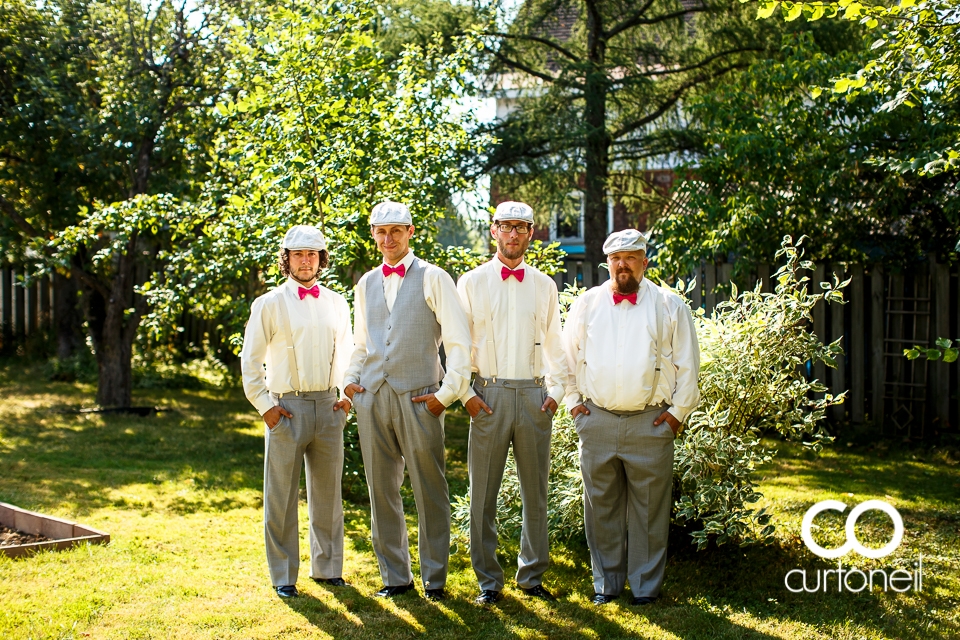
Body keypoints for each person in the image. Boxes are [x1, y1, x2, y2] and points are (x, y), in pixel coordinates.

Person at [561, 229, 700, 606]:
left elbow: (688, 367)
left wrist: (676, 415)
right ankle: (606, 585)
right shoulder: (587, 304)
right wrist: (574, 404)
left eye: (631, 257)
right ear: (607, 263)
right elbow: (565, 359)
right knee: (600, 507)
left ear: (644, 260)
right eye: (615, 258)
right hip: (598, 419)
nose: (622, 264)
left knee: (650, 511)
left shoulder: (670, 305)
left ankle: (645, 588)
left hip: (651, 422)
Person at [343, 201, 472, 601]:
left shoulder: (434, 278)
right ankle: (395, 577)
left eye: (396, 230)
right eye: (381, 231)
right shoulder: (365, 283)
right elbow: (362, 342)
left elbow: (458, 342)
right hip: (373, 397)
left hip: (420, 398)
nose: (388, 238)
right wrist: (349, 381)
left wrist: (445, 395)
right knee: (381, 488)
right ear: (373, 235)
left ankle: (435, 580)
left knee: (429, 488)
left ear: (411, 231)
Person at [456, 201, 568, 605]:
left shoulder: (544, 285)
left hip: (535, 396)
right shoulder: (470, 283)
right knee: (482, 492)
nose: (513, 235)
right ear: (493, 231)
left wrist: (556, 394)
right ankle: (488, 580)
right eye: (506, 227)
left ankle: (532, 575)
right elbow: (455, 345)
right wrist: (466, 395)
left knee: (535, 492)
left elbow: (558, 343)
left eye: (521, 228)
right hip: (488, 395)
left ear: (531, 233)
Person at [240, 225, 354, 599]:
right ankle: (284, 576)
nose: (305, 261)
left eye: (312, 254)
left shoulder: (337, 302)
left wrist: (346, 399)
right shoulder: (268, 304)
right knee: (281, 496)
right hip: (285, 407)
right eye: (298, 254)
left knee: (327, 495)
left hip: (328, 406)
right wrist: (266, 407)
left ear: (322, 259)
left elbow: (349, 354)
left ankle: (328, 569)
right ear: (286, 258)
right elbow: (250, 362)